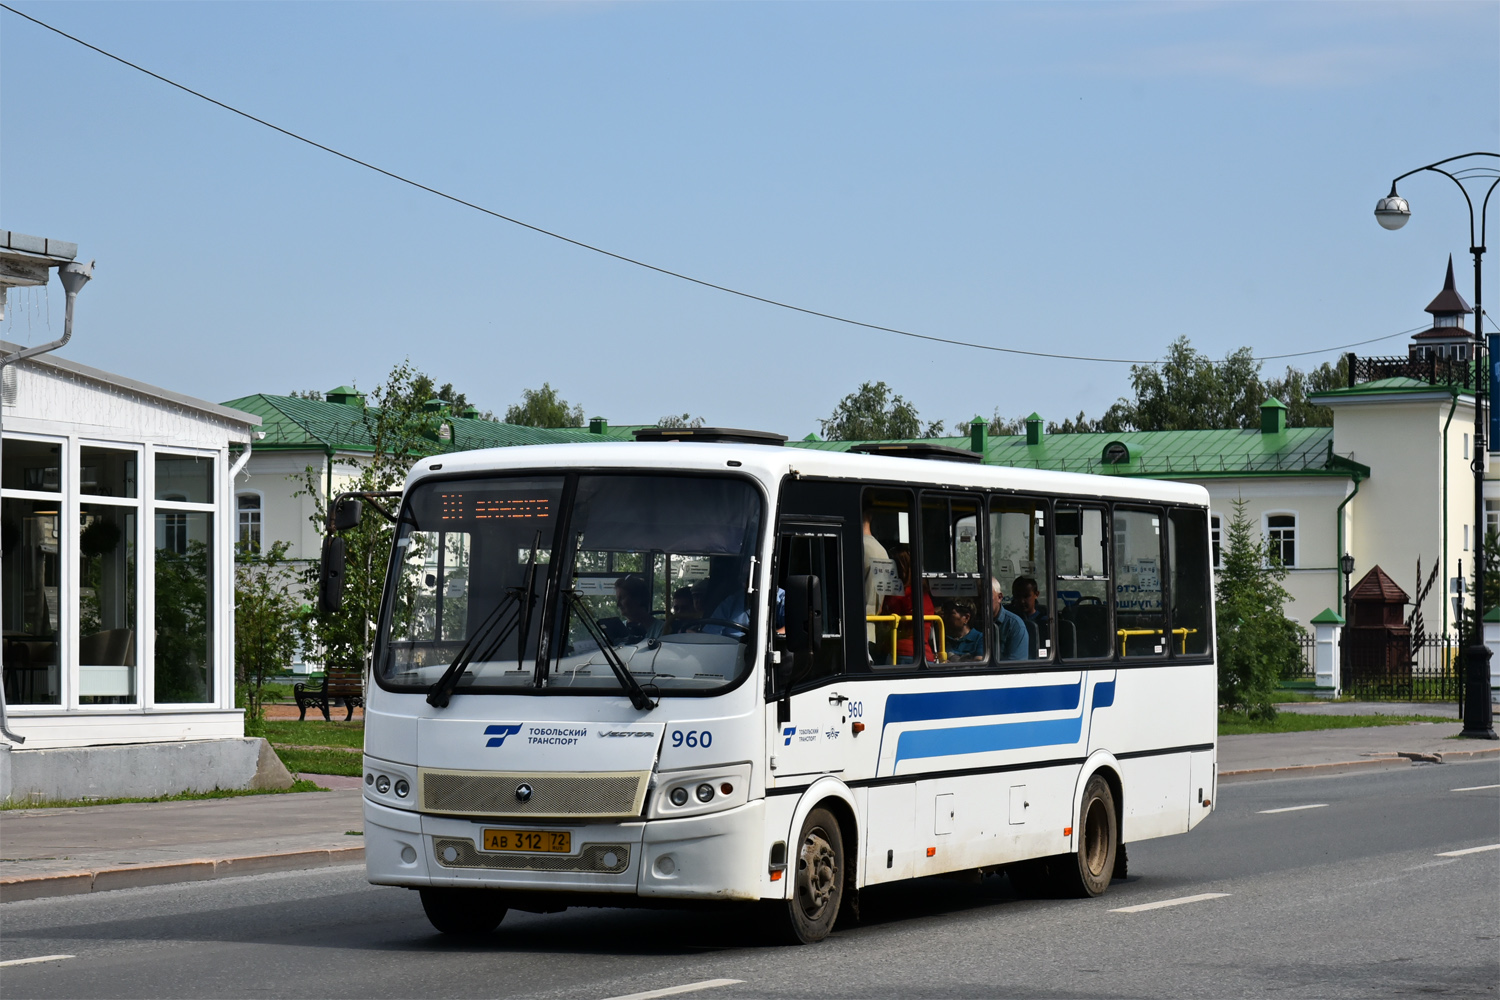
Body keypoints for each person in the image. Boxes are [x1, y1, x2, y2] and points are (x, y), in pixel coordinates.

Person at [884, 544, 936, 663]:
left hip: (900, 653)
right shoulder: (924, 593)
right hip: (926, 654)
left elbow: (885, 623)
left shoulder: (900, 593)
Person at [862, 500, 893, 657]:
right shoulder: (882, 552)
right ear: (871, 516)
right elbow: (881, 604)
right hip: (871, 631)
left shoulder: (849, 548)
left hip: (851, 632)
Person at [613, 574, 662, 644]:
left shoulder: (662, 630)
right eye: (617, 599)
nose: (618, 604)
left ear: (638, 599)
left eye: (622, 598)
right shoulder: (619, 629)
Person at [990, 577, 1028, 661]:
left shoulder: (1015, 626)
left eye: (986, 596)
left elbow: (1015, 667)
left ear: (999, 597)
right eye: (977, 597)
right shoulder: (973, 621)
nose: (981, 601)